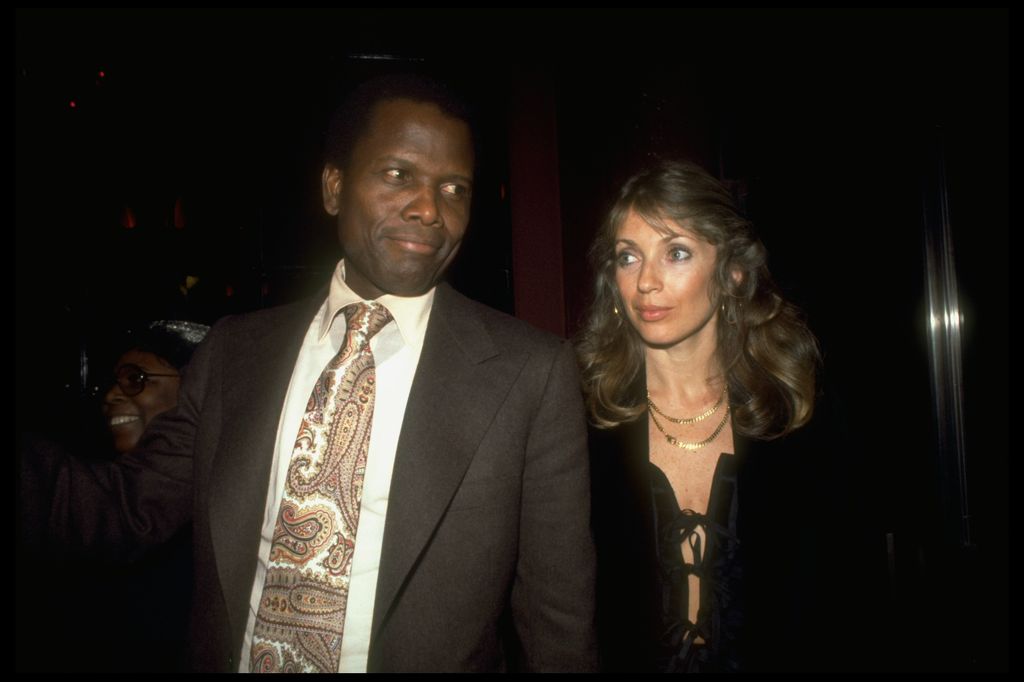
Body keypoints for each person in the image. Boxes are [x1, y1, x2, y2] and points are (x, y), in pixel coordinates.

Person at [27, 73, 596, 673]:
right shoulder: (234, 353)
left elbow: (557, 623)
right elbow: (120, 510)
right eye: (398, 174)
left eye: (454, 188)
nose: (430, 209)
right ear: (334, 187)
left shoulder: (529, 375)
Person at [578, 159, 851, 671]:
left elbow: (839, 599)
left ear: (732, 272)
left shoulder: (794, 413)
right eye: (628, 257)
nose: (646, 282)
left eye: (676, 253)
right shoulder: (578, 419)